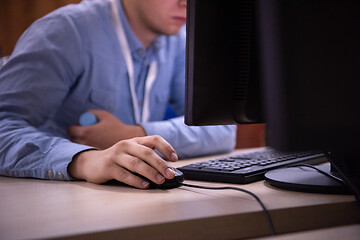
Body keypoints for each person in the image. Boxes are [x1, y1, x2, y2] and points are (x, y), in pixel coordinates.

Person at [0, 0, 236, 189]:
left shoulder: (178, 39)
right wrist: (84, 160)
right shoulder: (65, 30)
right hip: (52, 197)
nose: (188, 3)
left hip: (131, 196)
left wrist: (134, 133)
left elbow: (223, 128)